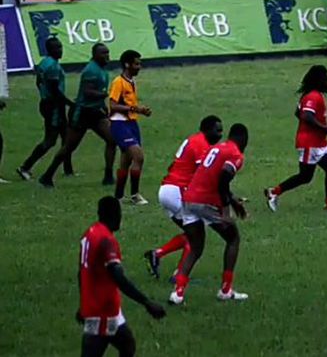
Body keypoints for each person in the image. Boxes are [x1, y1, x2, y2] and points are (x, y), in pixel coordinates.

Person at [169, 124, 250, 305]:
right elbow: (224, 177)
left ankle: (178, 293)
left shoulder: (217, 148)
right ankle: (226, 290)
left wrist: (234, 201)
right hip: (205, 202)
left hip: (188, 199)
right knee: (233, 238)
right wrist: (226, 210)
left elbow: (212, 177)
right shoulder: (235, 154)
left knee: (195, 247)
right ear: (244, 140)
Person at [78, 196, 165, 357]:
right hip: (103, 311)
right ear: (114, 215)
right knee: (95, 350)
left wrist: (83, 302)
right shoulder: (106, 241)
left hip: (101, 308)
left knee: (127, 344)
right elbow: (118, 277)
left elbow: (82, 271)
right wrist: (146, 302)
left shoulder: (90, 233)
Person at [144, 115, 223, 281]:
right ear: (207, 130)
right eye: (217, 131)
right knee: (196, 235)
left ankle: (157, 254)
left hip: (166, 189)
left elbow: (174, 165)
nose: (220, 135)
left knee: (191, 232)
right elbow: (203, 174)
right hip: (177, 191)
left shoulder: (192, 140)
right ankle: (179, 276)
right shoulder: (201, 144)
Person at [264, 65, 327, 212]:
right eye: (326, 80)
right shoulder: (313, 96)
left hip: (320, 142)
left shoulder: (313, 95)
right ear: (319, 81)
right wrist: (324, 128)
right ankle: (274, 192)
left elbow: (298, 112)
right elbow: (306, 116)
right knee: (306, 176)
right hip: (310, 143)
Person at [39, 43, 116, 188]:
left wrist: (103, 106)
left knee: (112, 139)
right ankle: (47, 175)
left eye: (107, 52)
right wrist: (106, 94)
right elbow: (87, 92)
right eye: (103, 53)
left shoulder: (101, 69)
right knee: (69, 147)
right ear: (95, 55)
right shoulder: (91, 70)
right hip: (83, 113)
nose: (107, 56)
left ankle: (108, 175)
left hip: (95, 112)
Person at [17, 37, 75, 181]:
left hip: (47, 103)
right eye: (57, 48)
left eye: (60, 47)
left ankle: (68, 170)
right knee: (50, 140)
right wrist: (71, 104)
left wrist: (44, 94)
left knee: (66, 137)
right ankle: (25, 167)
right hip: (54, 106)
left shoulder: (43, 63)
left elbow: (38, 82)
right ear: (50, 50)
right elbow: (55, 91)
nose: (60, 50)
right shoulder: (53, 66)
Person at [109, 50, 152, 205]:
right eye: (136, 64)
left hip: (132, 124)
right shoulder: (118, 82)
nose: (139, 67)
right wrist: (135, 109)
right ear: (127, 64)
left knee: (126, 161)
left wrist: (141, 111)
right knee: (138, 157)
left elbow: (129, 104)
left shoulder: (131, 81)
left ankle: (118, 196)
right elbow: (113, 105)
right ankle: (135, 195)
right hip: (119, 124)